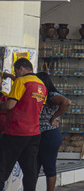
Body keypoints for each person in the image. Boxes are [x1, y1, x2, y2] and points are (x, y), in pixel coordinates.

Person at [0, 58, 48, 191]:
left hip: (16, 132)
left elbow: (10, 105)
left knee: (3, 168)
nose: (16, 75)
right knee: (30, 171)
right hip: (33, 134)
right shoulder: (42, 86)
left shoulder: (21, 81)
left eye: (16, 71)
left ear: (21, 69)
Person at [35, 72, 71, 191]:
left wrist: (54, 117)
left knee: (49, 166)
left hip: (49, 134)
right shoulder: (38, 95)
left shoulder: (51, 95)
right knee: (33, 167)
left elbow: (66, 102)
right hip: (37, 134)